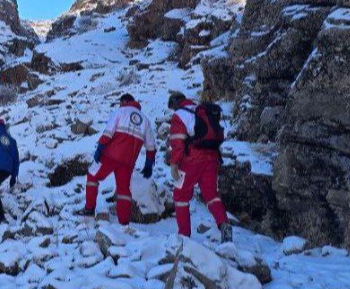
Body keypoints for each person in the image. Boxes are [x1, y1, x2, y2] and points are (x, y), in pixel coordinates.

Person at [75, 93, 156, 225]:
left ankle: (89, 210)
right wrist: (149, 163)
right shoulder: (145, 120)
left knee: (92, 176)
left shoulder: (120, 111)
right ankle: (124, 223)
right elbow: (151, 145)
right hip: (128, 161)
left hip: (111, 155)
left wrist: (100, 148)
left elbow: (108, 132)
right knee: (124, 190)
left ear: (124, 102)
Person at [168, 92, 233, 243]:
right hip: (212, 158)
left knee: (180, 195)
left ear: (175, 103)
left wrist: (174, 164)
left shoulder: (179, 115)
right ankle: (224, 224)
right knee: (211, 194)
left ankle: (184, 237)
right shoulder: (200, 110)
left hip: (192, 159)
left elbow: (178, 142)